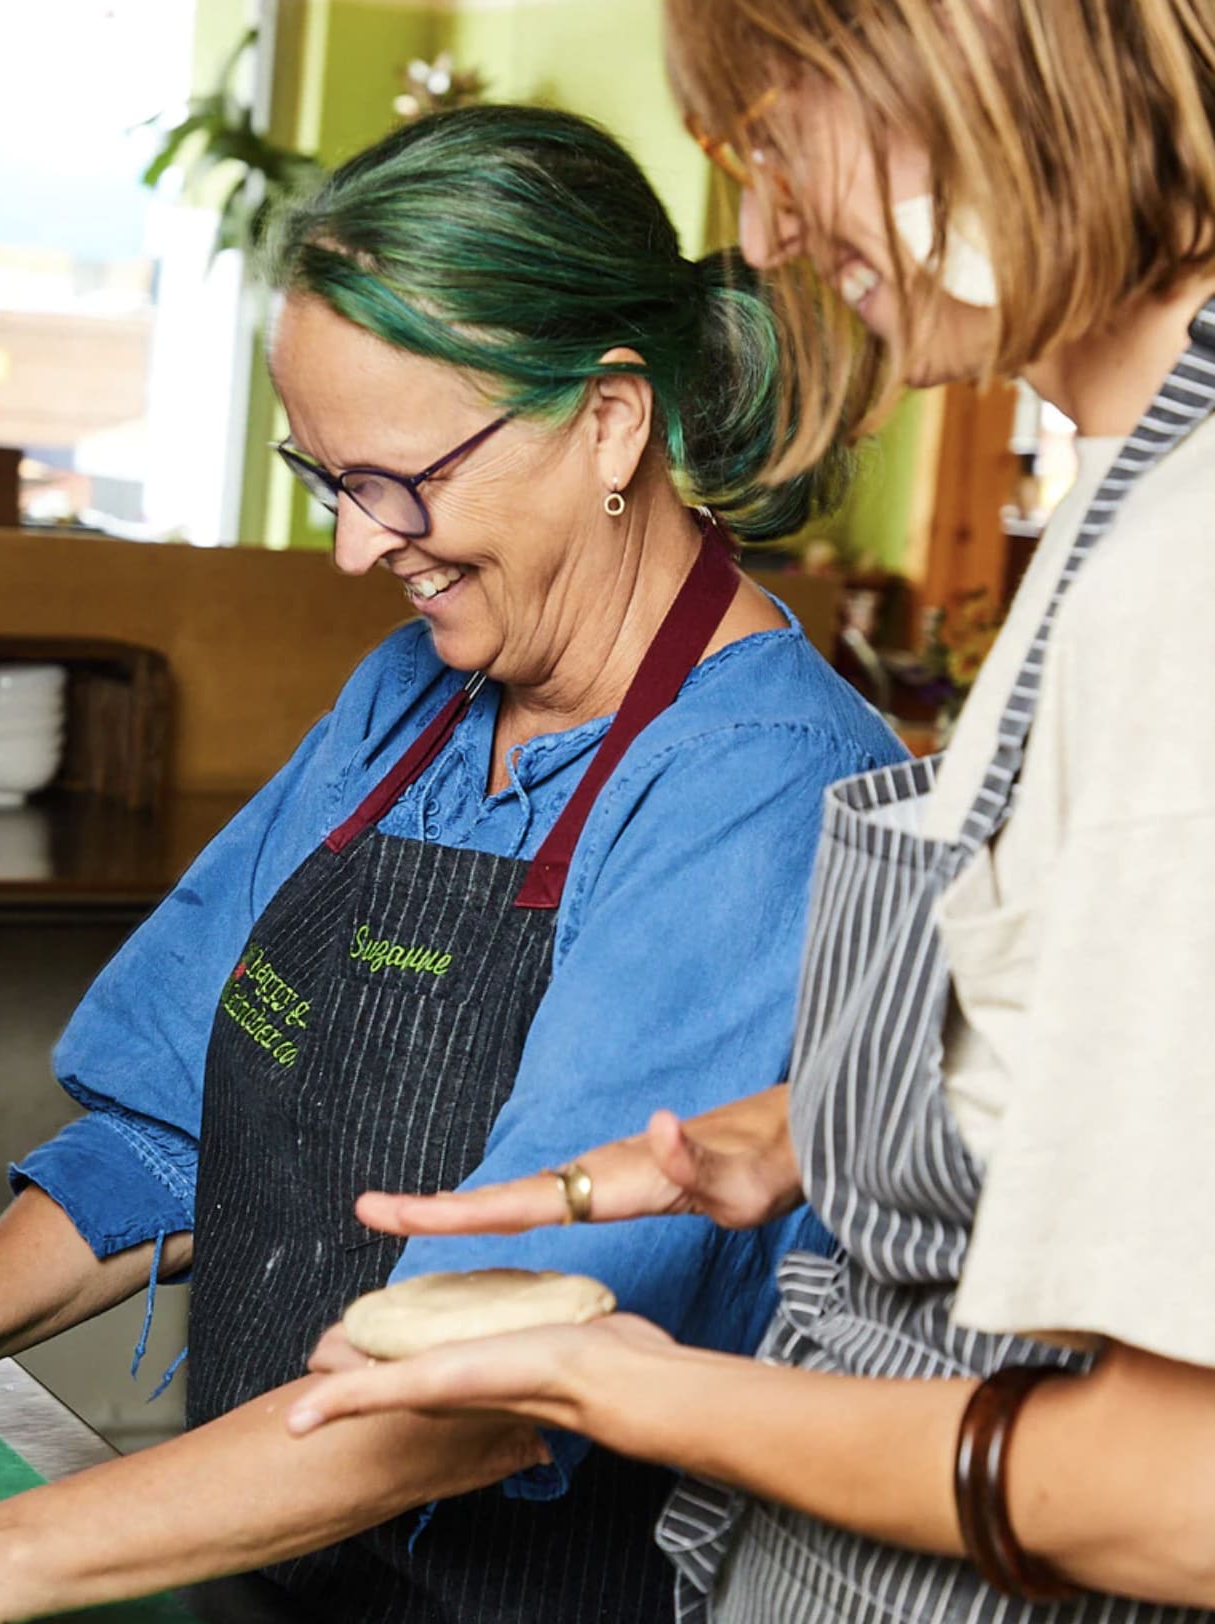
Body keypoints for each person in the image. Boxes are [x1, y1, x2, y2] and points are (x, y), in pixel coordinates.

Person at [0, 105, 901, 1620]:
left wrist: (1, 1553)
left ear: (610, 422)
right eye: (326, 476)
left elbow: (497, 1377)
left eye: (396, 480)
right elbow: (172, 1132)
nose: (356, 551)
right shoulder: (407, 699)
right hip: (275, 1553)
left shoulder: (762, 791)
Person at [290, 6, 1215, 1622]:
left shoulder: (1182, 579)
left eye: (783, 135)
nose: (764, 231)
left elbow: (1177, 1498)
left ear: (984, 61)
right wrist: (816, 1128)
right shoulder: (1125, 488)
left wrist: (630, 1391)